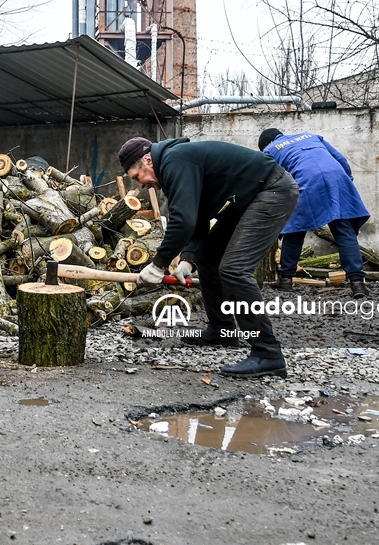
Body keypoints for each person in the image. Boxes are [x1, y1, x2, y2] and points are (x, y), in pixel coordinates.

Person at [119, 136, 299, 378]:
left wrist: (158, 264)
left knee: (234, 269)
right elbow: (198, 217)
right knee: (210, 258)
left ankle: (268, 353)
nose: (141, 186)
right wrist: (188, 259)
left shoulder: (175, 161)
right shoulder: (174, 165)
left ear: (148, 160)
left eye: (136, 177)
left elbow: (183, 221)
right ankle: (222, 329)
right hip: (247, 199)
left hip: (271, 191)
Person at [258, 128, 372, 298]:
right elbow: (340, 158)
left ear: (267, 143)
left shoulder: (270, 150)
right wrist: (346, 180)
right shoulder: (310, 136)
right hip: (337, 177)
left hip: (306, 180)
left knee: (294, 229)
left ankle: (286, 279)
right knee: (343, 229)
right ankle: (357, 283)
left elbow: (269, 180)